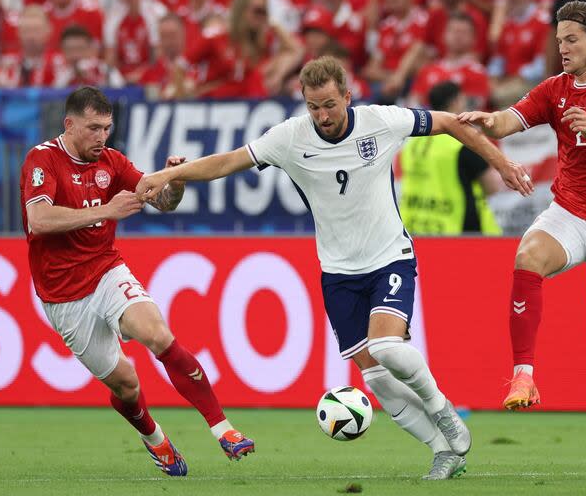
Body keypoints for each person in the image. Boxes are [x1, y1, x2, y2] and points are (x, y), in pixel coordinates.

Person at [136, 55, 533, 480]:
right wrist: (166, 175)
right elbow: (229, 161)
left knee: (385, 348)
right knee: (377, 380)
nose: (322, 115)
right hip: (338, 273)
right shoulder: (289, 137)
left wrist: (503, 164)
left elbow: (452, 122)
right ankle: (443, 450)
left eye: (329, 104)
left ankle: (442, 409)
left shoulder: (380, 121)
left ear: (347, 95)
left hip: (389, 258)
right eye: (313, 106)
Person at [20, 87, 254, 476]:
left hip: (107, 270)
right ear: (69, 124)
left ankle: (224, 429)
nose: (101, 137)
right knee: (127, 386)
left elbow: (160, 201)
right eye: (93, 128)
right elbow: (39, 221)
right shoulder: (42, 160)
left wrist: (174, 186)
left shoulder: (111, 162)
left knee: (157, 334)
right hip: (64, 297)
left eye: (107, 128)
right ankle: (154, 438)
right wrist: (109, 208)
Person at [459, 0, 586, 420]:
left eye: (572, 40)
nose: (563, 49)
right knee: (528, 256)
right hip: (568, 210)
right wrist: (486, 121)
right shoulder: (555, 89)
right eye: (559, 41)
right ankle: (523, 375)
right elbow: (510, 120)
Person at [400, 81, 503, 235]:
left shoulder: (412, 142)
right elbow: (492, 186)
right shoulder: (463, 141)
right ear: (456, 101)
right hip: (458, 230)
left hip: (415, 227)